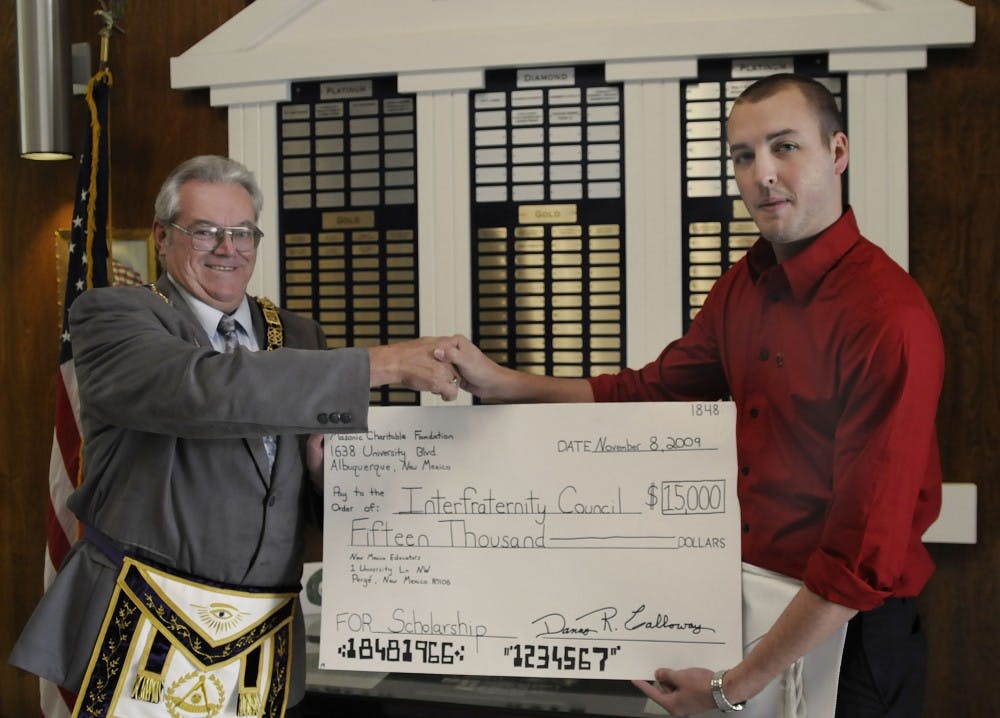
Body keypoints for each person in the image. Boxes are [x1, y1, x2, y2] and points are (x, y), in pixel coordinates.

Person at [437, 74, 943, 717]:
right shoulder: (744, 285)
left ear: (837, 153)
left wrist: (729, 690)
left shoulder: (886, 317)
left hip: (849, 639)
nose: (761, 173)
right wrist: (505, 384)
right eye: (743, 155)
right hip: (744, 614)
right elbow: (650, 391)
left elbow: (858, 564)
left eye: (785, 147)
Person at [9, 155, 461, 716]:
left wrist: (325, 475)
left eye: (243, 232)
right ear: (161, 237)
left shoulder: (296, 334)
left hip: (262, 645)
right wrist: (383, 363)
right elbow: (201, 391)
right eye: (205, 231)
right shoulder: (113, 315)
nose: (228, 248)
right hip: (140, 631)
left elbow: (297, 499)